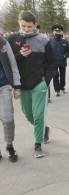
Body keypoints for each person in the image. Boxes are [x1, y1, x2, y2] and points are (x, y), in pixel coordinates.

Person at [7, 11, 53, 158]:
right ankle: (43, 130)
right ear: (19, 23)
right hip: (22, 85)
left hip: (39, 84)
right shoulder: (12, 39)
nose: (27, 29)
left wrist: (45, 81)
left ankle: (37, 145)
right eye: (24, 26)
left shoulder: (43, 40)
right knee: (29, 115)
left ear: (35, 25)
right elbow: (8, 63)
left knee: (39, 115)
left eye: (30, 26)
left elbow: (52, 63)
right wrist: (20, 55)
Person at [0, 34, 21, 162]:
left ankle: (9, 145)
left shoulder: (3, 42)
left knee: (7, 118)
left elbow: (13, 64)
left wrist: (17, 86)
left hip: (4, 86)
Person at [49, 24, 69, 97]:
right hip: (53, 62)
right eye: (56, 31)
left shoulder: (64, 41)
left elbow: (68, 51)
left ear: (61, 32)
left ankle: (62, 87)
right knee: (55, 76)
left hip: (62, 61)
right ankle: (57, 90)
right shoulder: (50, 41)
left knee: (62, 76)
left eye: (59, 31)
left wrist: (65, 55)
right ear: (53, 32)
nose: (57, 32)